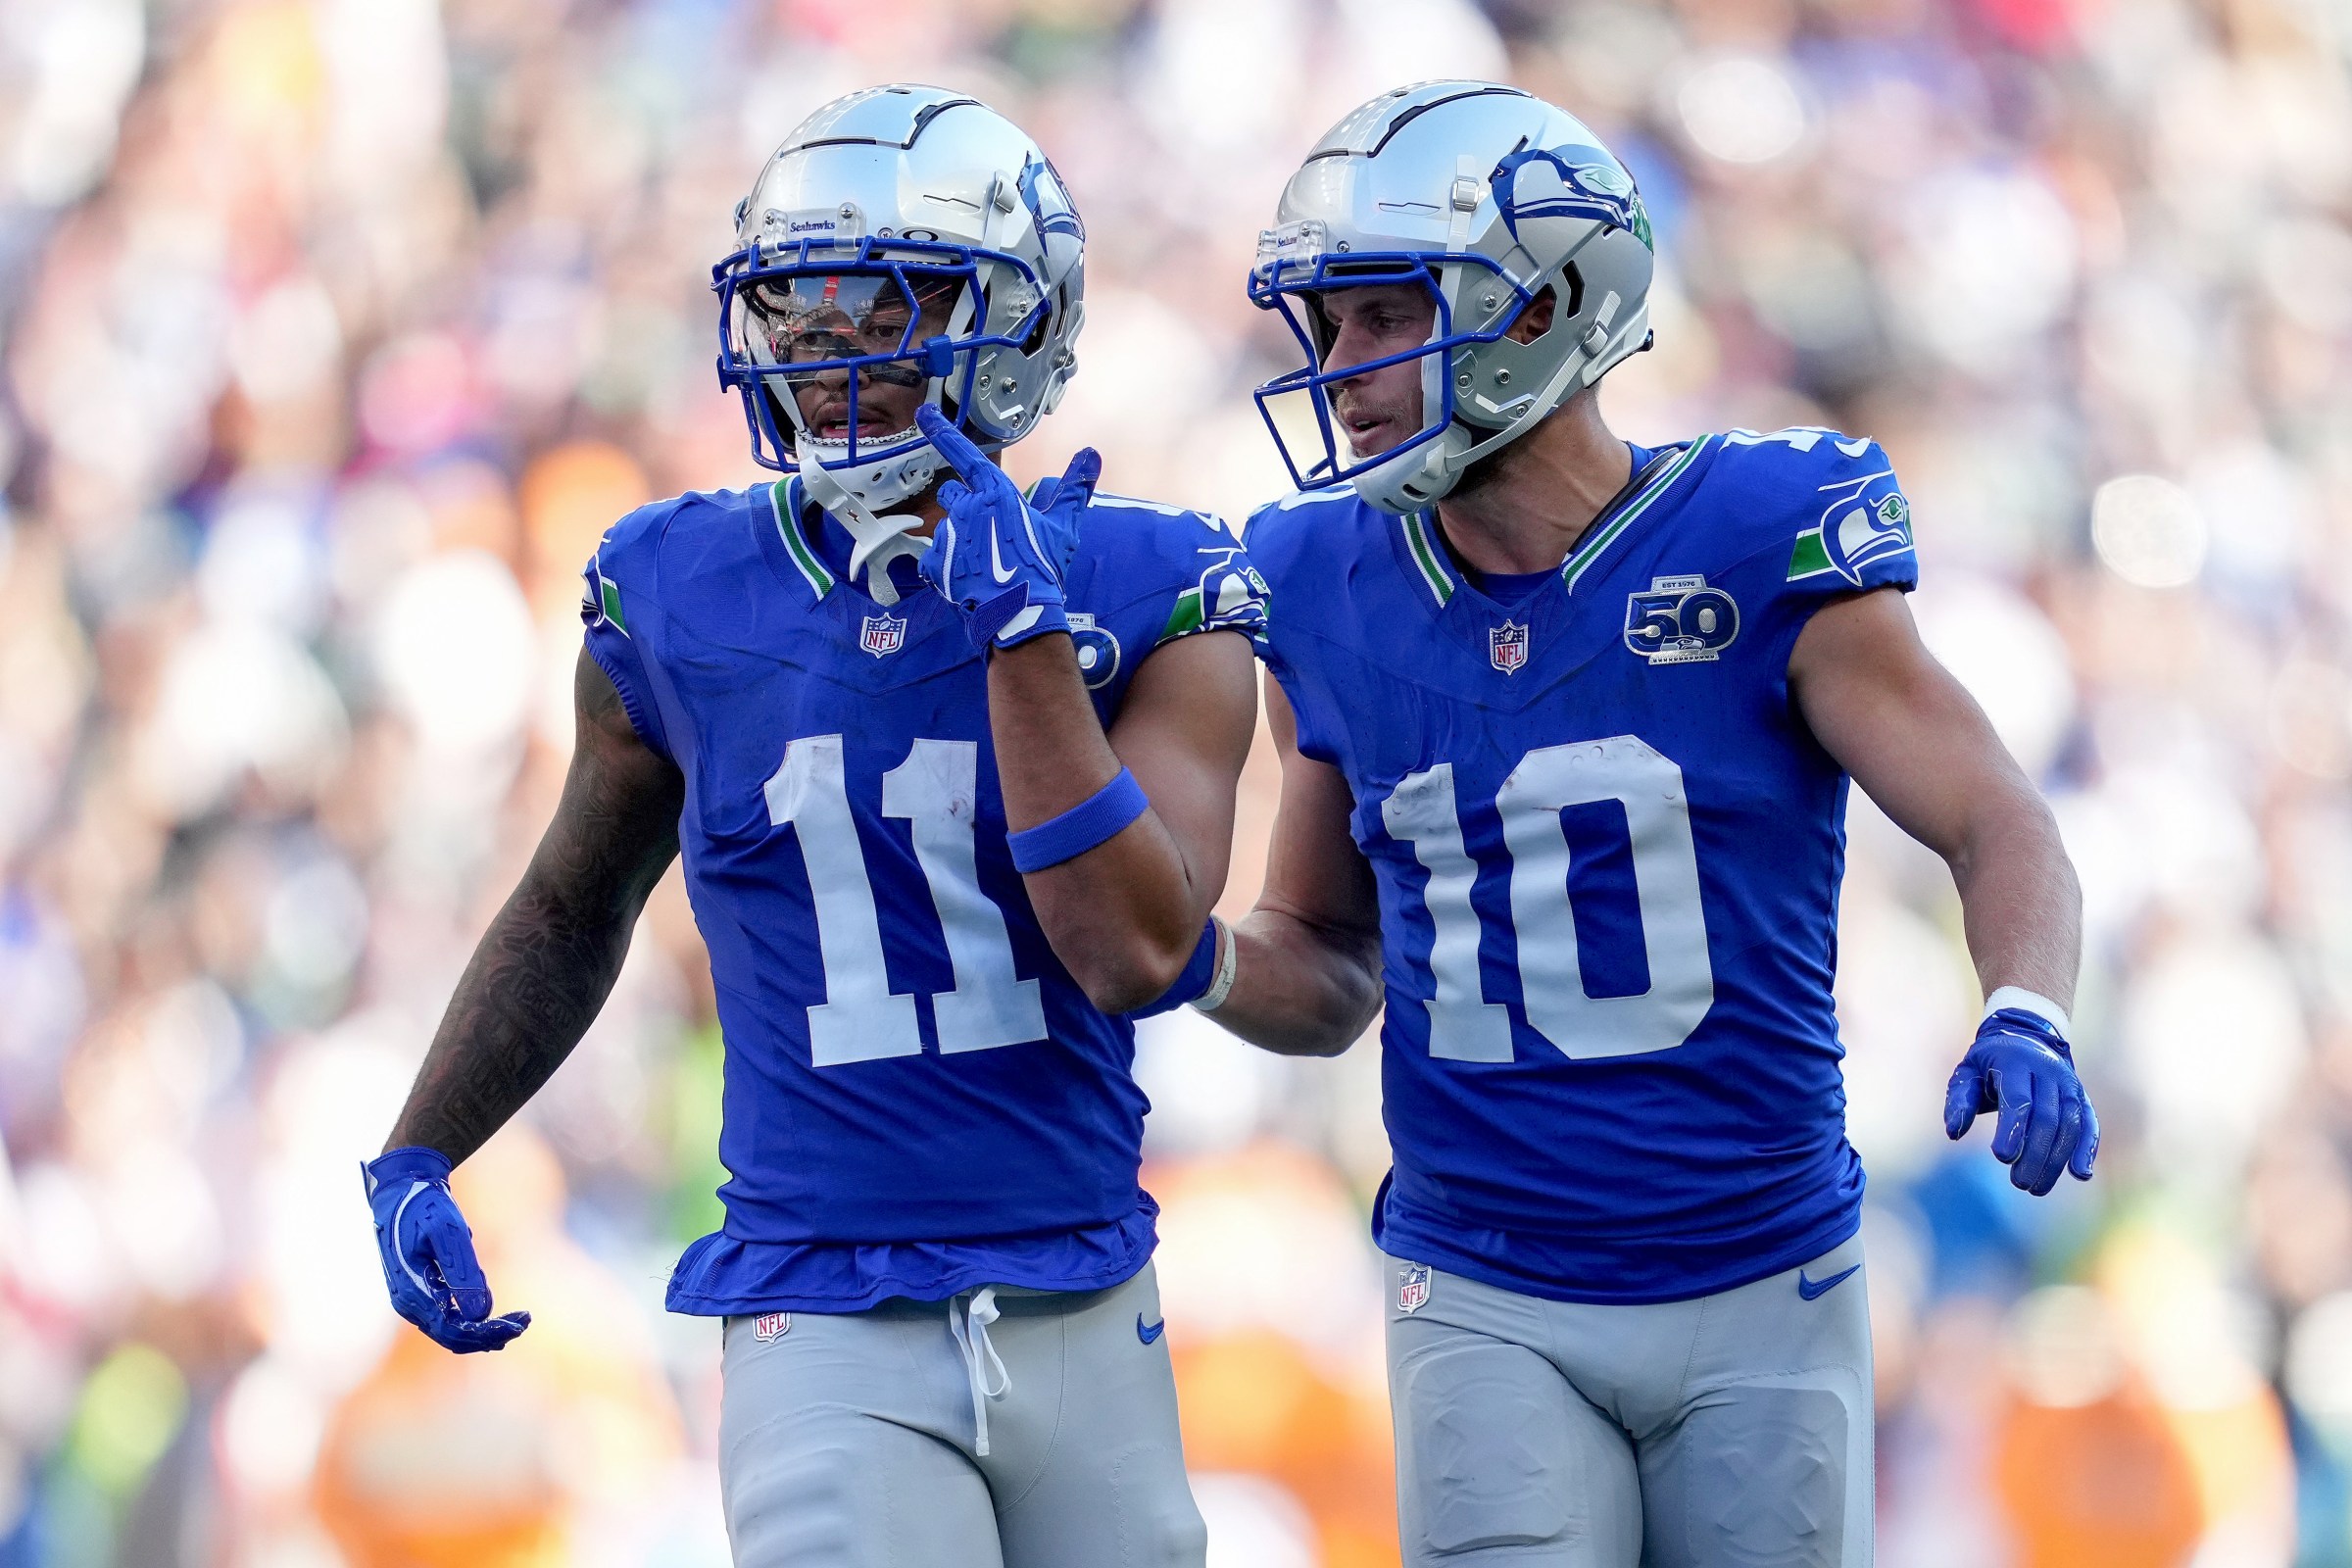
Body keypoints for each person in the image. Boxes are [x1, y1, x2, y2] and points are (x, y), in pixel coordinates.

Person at [359, 85, 1266, 1568]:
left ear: (1017, 323)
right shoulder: (679, 593)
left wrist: (1026, 639)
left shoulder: (1142, 582)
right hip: (820, 1309)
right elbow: (569, 906)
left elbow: (1139, 948)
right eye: (799, 312)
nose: (833, 358)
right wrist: (421, 1152)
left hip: (1088, 1290)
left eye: (890, 311)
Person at [1201, 80, 2100, 1567]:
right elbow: (1322, 956)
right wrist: (1187, 964)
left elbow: (1997, 817)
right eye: (1331, 327)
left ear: (1545, 305)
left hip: (1762, 1274)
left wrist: (2026, 1008)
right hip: (1481, 1280)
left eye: (1380, 318)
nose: (1341, 369)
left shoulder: (1758, 538)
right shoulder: (1317, 582)